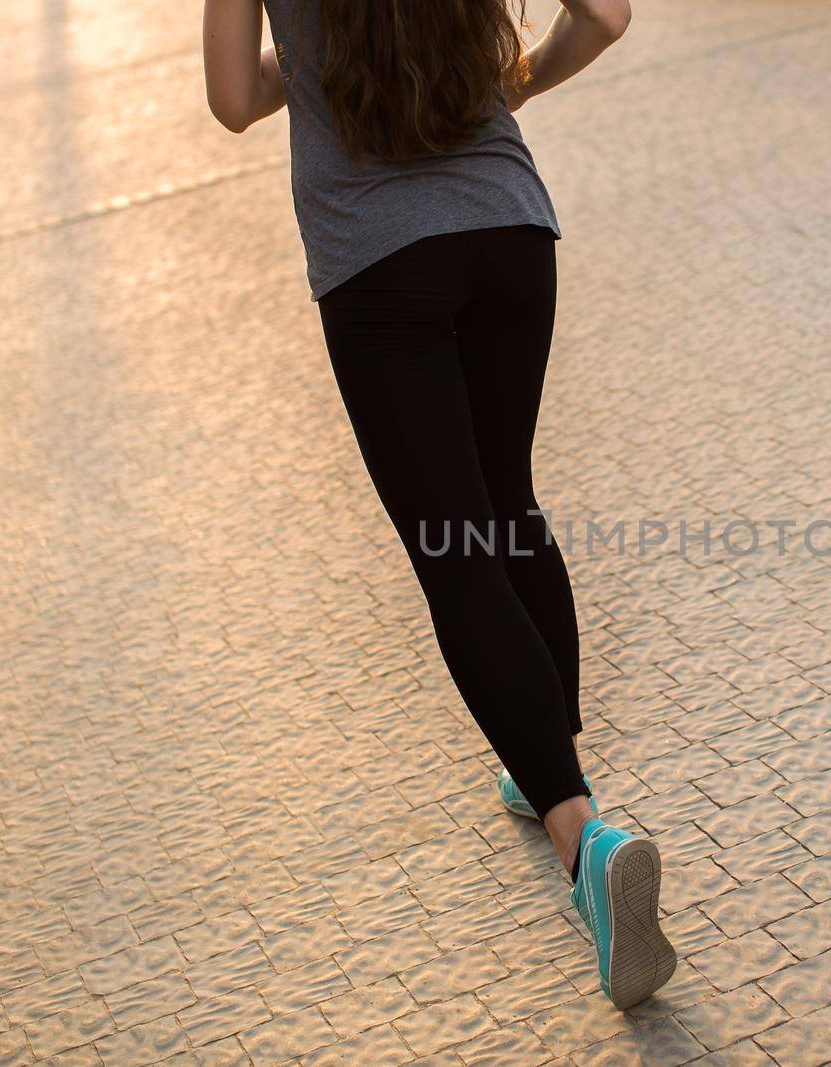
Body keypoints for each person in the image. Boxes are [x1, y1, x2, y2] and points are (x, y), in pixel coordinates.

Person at [202, 0, 674, 1010]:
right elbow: (604, 14)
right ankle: (542, 757)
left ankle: (581, 834)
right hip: (509, 231)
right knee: (505, 507)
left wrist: (315, 58)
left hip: (379, 265)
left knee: (454, 553)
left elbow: (234, 100)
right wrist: (521, 74)